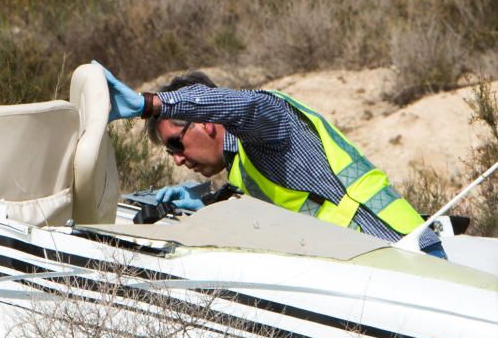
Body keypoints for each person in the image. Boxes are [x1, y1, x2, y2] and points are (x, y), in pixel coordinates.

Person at [94, 61, 447, 258]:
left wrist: (153, 105)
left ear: (205, 121)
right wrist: (201, 199)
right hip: (371, 257)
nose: (177, 160)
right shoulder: (245, 161)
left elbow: (246, 106)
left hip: (399, 250)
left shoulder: (270, 124)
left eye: (177, 145)